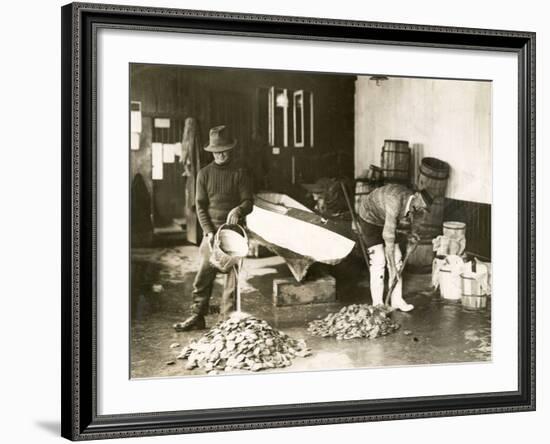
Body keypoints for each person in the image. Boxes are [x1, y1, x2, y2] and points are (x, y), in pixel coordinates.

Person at [173, 125, 253, 331]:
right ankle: (197, 315)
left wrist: (239, 209)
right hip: (211, 233)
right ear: (212, 152)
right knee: (203, 276)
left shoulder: (240, 172)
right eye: (216, 151)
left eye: (224, 150)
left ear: (231, 149)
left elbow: (248, 202)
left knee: (232, 282)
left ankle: (228, 322)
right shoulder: (204, 174)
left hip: (233, 234)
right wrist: (208, 232)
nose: (220, 155)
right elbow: (200, 206)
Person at [357, 183, 433, 312]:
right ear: (416, 196)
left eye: (424, 207)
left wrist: (413, 236)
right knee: (379, 259)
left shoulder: (419, 207)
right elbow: (389, 237)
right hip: (370, 218)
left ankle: (397, 301)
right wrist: (391, 267)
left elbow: (416, 224)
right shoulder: (394, 200)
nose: (422, 208)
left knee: (398, 258)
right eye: (421, 205)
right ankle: (378, 304)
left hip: (388, 219)